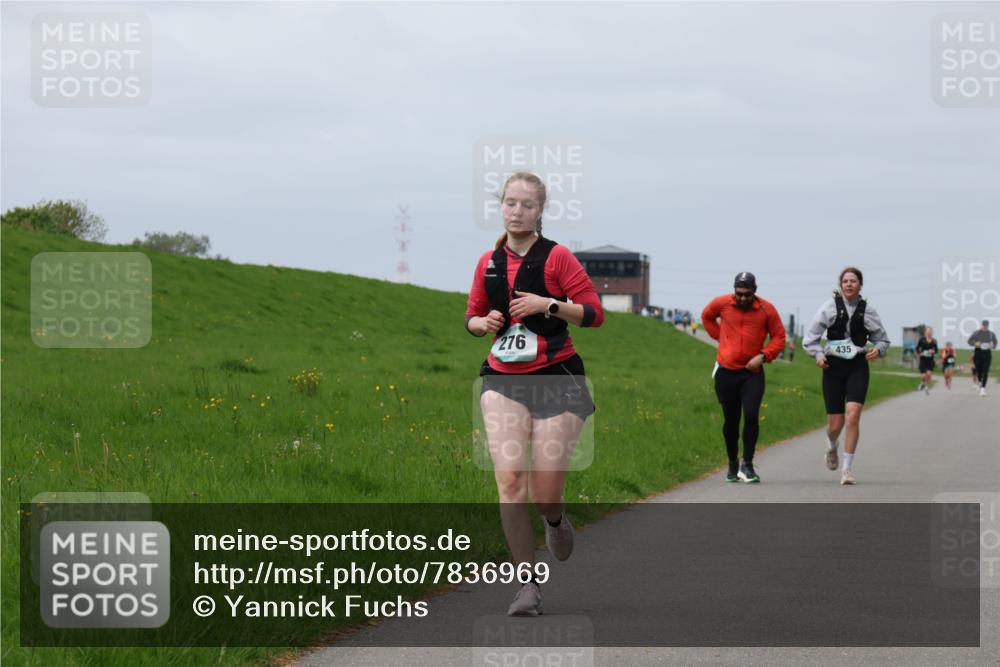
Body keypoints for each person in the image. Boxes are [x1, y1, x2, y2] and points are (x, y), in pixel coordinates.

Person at [465, 171, 604, 617]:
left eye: (526, 204)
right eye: (510, 202)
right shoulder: (487, 261)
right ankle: (527, 586)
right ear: (500, 206)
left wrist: (547, 305)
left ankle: (555, 519)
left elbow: (594, 314)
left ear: (540, 211)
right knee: (509, 482)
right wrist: (482, 324)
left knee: (545, 492)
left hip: (557, 377)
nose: (517, 211)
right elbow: (471, 317)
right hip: (502, 378)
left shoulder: (557, 257)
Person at [803, 267, 890, 485]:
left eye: (853, 281)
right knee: (835, 425)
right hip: (832, 367)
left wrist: (878, 350)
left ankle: (847, 469)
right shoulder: (829, 308)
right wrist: (818, 355)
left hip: (858, 366)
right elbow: (810, 339)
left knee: (853, 415)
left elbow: (883, 340)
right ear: (840, 285)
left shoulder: (868, 311)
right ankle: (831, 446)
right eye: (845, 281)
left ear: (860, 285)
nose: (849, 284)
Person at [701, 272, 786, 484]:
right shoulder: (722, 303)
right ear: (734, 291)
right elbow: (706, 316)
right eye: (739, 294)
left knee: (750, 414)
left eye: (747, 294)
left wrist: (764, 356)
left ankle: (747, 464)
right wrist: (720, 337)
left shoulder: (766, 309)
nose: (742, 298)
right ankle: (732, 464)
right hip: (726, 372)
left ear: (754, 292)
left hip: (752, 374)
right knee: (731, 420)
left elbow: (779, 336)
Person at [968, 320, 997, 397]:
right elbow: (969, 341)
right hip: (978, 354)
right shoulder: (976, 333)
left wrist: (993, 345)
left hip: (987, 354)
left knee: (986, 371)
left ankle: (983, 389)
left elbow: (995, 342)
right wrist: (975, 343)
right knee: (979, 370)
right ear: (982, 325)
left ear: (988, 326)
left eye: (986, 326)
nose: (985, 327)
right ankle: (980, 381)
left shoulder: (991, 334)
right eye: (984, 325)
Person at [916, 327, 939, 395]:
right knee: (923, 376)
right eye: (928, 332)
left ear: (932, 333)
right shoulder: (922, 339)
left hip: (930, 360)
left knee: (929, 374)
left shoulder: (934, 340)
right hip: (923, 360)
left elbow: (936, 350)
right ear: (925, 332)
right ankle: (923, 383)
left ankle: (926, 387)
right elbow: (917, 348)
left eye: (931, 332)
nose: (929, 333)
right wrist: (920, 353)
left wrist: (933, 351)